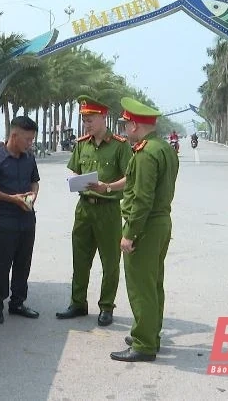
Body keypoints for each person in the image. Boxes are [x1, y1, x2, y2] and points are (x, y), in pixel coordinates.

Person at [109, 97, 179, 363]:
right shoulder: (164, 148)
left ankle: (144, 343)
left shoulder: (145, 153)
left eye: (126, 125)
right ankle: (150, 333)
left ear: (136, 126)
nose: (125, 129)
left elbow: (142, 198)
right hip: (160, 222)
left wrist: (129, 234)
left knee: (141, 286)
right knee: (153, 283)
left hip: (146, 225)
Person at [56, 95, 132, 327]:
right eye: (84, 120)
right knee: (80, 259)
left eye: (90, 119)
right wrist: (76, 180)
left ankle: (106, 307)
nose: (86, 124)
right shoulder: (81, 144)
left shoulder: (120, 145)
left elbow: (130, 178)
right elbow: (73, 171)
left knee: (110, 262)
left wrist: (106, 187)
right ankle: (78, 303)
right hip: (84, 209)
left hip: (108, 210)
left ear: (103, 118)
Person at [0, 116, 40, 324]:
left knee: (23, 263)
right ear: (14, 136)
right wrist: (11, 199)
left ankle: (17, 302)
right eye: (27, 139)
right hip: (6, 220)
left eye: (32, 139)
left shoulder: (29, 158)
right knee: (3, 264)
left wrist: (32, 196)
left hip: (27, 219)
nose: (30, 143)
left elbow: (35, 181)